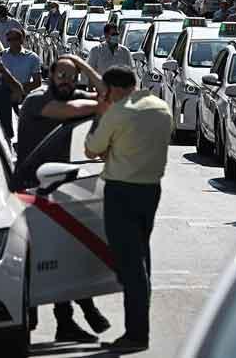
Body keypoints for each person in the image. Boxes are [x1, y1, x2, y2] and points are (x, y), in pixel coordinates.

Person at [17, 54, 111, 342]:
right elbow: (81, 108)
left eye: (72, 78)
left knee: (65, 253)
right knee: (36, 259)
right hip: (28, 191)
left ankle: (66, 322)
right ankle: (35, 314)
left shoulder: (73, 94)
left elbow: (105, 98)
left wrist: (81, 65)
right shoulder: (37, 101)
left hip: (58, 186)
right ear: (50, 76)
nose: (67, 82)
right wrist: (99, 102)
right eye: (62, 76)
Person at [83, 66, 174, 354]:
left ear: (114, 89)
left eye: (105, 91)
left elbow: (91, 148)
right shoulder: (161, 107)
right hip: (150, 189)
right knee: (141, 259)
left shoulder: (118, 112)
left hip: (121, 191)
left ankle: (136, 332)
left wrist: (101, 113)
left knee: (130, 265)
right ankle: (138, 326)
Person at [1, 28, 43, 93]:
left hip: (23, 95)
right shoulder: (2, 55)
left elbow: (37, 82)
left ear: (21, 40)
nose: (12, 42)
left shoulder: (32, 57)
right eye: (9, 40)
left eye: (15, 39)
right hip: (4, 93)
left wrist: (20, 89)